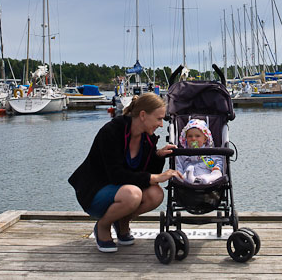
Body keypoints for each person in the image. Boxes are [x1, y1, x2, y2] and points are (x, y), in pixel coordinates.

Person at [68, 93, 182, 253]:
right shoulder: (111, 131)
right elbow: (116, 175)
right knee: (133, 194)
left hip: (123, 191)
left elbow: (147, 174)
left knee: (156, 194)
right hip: (95, 192)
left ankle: (121, 222)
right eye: (158, 119)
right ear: (143, 115)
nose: (161, 124)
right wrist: (155, 177)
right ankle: (103, 226)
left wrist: (157, 156)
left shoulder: (146, 138)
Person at [176, 119, 224, 184]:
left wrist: (217, 167)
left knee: (218, 174)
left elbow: (218, 160)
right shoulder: (183, 153)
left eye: (197, 136)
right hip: (189, 175)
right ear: (186, 139)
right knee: (184, 175)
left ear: (205, 139)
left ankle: (207, 179)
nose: (193, 139)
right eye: (190, 136)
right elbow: (179, 166)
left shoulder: (210, 151)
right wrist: (179, 174)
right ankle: (190, 178)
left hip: (207, 174)